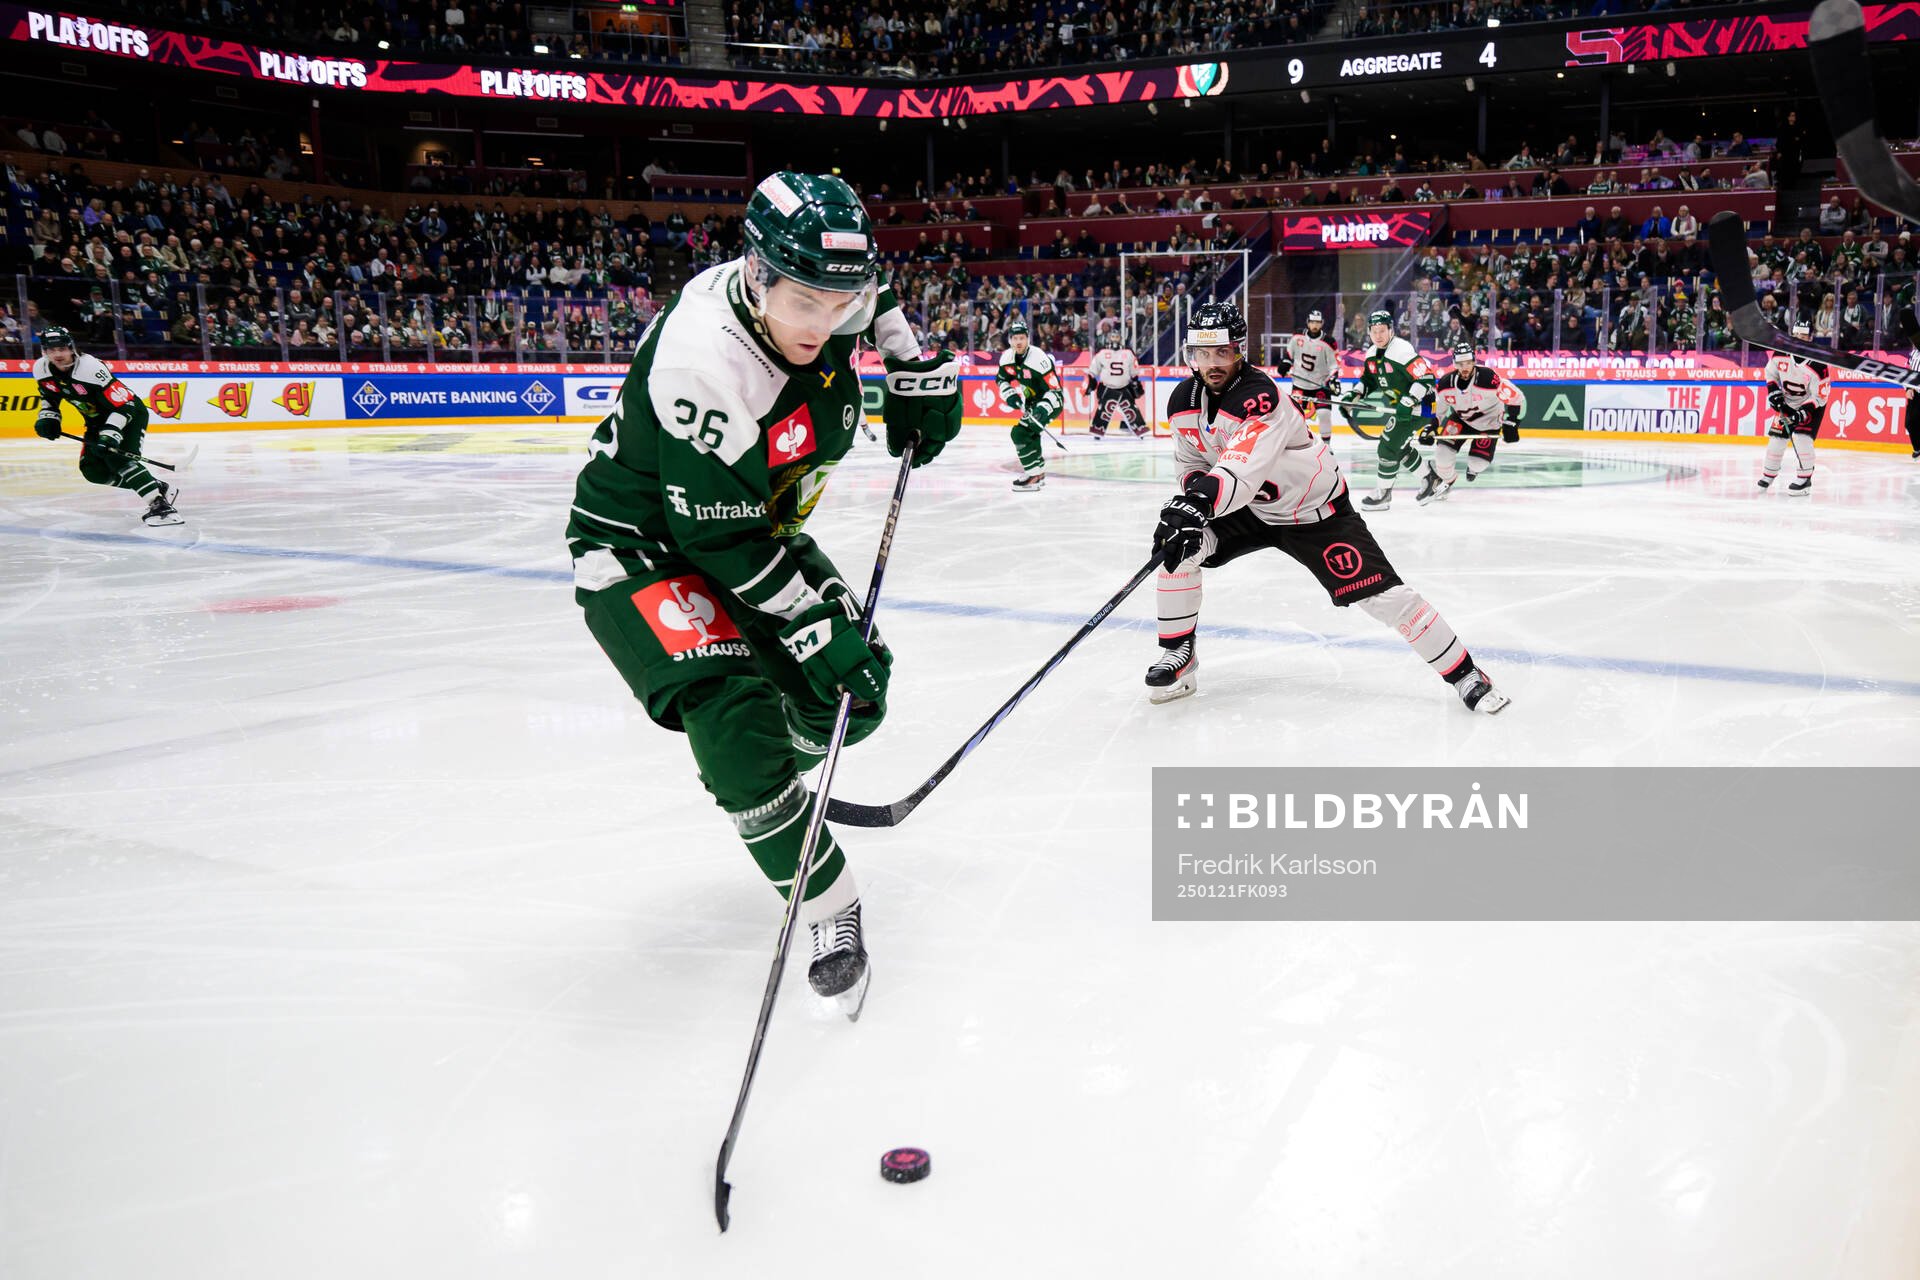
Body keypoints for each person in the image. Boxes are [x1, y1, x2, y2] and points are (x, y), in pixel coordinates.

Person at [563, 172, 961, 1013]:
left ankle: (774, 782)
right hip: (646, 547)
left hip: (754, 528)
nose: (823, 323)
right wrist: (813, 626)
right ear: (756, 273)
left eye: (838, 305)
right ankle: (828, 902)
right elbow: (717, 539)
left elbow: (869, 290)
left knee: (855, 694)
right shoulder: (705, 362)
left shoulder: (819, 287)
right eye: (805, 302)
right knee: (732, 713)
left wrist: (907, 362)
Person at [1145, 302, 1508, 713]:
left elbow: (1240, 472)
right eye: (1203, 354)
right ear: (1191, 355)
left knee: (1386, 599)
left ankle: (1466, 674)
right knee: (1178, 550)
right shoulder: (1182, 402)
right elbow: (1192, 462)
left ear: (1240, 350)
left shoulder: (1259, 398)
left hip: (1314, 514)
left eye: (1222, 352)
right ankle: (1179, 655)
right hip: (1253, 508)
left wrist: (1197, 504)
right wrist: (1191, 504)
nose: (1212, 363)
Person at [30, 326, 181, 526]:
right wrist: (49, 418)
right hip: (96, 421)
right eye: (51, 350)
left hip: (128, 414)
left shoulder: (89, 368)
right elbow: (49, 397)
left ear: (71, 348)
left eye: (62, 349)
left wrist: (111, 433)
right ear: (44, 351)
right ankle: (154, 486)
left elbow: (124, 404)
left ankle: (160, 506)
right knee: (94, 471)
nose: (57, 354)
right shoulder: (40, 369)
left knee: (116, 457)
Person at [1417, 342, 1525, 505]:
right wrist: (1432, 427)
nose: (1465, 367)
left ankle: (1473, 469)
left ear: (1474, 361)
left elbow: (1517, 397)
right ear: (1454, 364)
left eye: (1468, 362)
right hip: (1461, 419)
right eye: (1460, 363)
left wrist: (1512, 422)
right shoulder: (1446, 383)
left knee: (1478, 464)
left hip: (1489, 423)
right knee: (1442, 455)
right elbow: (1439, 411)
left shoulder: (1489, 378)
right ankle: (1447, 481)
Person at [1353, 310, 1437, 510]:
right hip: (1403, 407)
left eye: (1382, 331)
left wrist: (1408, 401)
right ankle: (1429, 477)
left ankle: (1383, 493)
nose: (1378, 335)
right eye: (1374, 331)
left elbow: (1426, 378)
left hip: (1422, 406)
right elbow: (1370, 380)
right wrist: (1355, 393)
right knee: (1399, 447)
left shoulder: (1401, 350)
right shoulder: (1372, 353)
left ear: (1391, 330)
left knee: (1387, 447)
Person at [1757, 323, 1829, 496]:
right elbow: (1771, 373)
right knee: (1776, 439)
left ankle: (1805, 479)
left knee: (1801, 437)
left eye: (1803, 336)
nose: (1798, 339)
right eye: (1795, 335)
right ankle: (1769, 474)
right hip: (1788, 401)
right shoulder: (1780, 353)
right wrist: (1773, 391)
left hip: (1811, 404)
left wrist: (1802, 413)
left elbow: (1820, 396)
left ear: (1810, 338)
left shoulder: (1819, 363)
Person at [997, 319, 1063, 490]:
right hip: (1032, 403)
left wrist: (1044, 408)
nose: (1018, 342)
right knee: (1030, 434)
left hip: (1051, 401)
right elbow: (1001, 379)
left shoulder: (1039, 359)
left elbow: (1055, 389)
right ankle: (1038, 473)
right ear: (1010, 340)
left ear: (1028, 339)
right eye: (1015, 338)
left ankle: (1032, 475)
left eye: (1022, 338)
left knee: (1020, 433)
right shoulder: (1007, 358)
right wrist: (1010, 395)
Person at [1274, 309, 1341, 445]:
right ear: (1308, 323)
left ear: (1322, 323)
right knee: (1294, 416)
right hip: (1300, 384)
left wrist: (1333, 379)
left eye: (1317, 322)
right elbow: (1289, 355)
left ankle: (1326, 446)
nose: (1314, 325)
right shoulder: (1297, 336)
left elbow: (1334, 365)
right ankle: (1295, 443)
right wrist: (1285, 363)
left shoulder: (1329, 342)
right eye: (1312, 322)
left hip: (1320, 385)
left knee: (1324, 414)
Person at [1085, 331, 1146, 437]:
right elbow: (1093, 371)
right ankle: (1098, 431)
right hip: (1106, 386)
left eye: (1117, 336)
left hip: (1124, 386)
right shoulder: (1102, 353)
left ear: (1120, 338)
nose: (1115, 339)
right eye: (1113, 336)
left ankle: (1136, 429)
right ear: (1109, 338)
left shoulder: (1128, 353)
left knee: (1129, 409)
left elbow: (1134, 372)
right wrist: (1091, 382)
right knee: (1105, 409)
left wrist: (1135, 382)